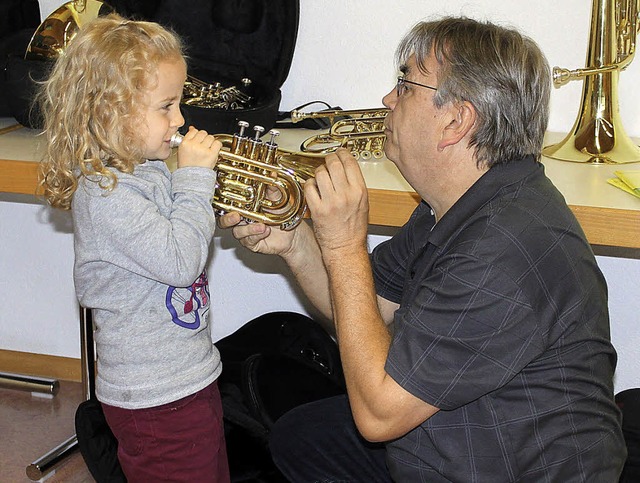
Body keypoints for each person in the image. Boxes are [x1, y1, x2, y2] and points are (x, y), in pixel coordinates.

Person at [220, 16, 627, 482]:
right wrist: (297, 241)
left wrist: (344, 246)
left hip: (506, 468)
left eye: (405, 84)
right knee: (302, 437)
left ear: (456, 120)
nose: (388, 100)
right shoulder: (456, 201)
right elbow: (368, 309)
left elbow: (378, 418)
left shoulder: (501, 250)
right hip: (451, 433)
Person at [38, 14, 230, 482]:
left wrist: (212, 211)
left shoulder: (145, 171)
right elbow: (181, 262)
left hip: (185, 375)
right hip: (153, 396)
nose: (180, 119)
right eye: (166, 106)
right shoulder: (106, 193)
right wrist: (196, 182)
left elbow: (178, 235)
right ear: (109, 113)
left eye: (179, 102)